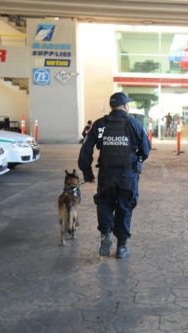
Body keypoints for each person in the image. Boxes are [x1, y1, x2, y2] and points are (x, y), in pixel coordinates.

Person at [78, 92, 150, 258]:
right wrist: (137, 160)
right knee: (125, 207)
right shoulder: (134, 124)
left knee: (104, 203)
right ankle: (122, 247)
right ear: (125, 106)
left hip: (106, 174)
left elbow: (86, 150)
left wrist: (87, 172)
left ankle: (105, 235)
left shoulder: (100, 124)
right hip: (127, 175)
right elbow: (146, 149)